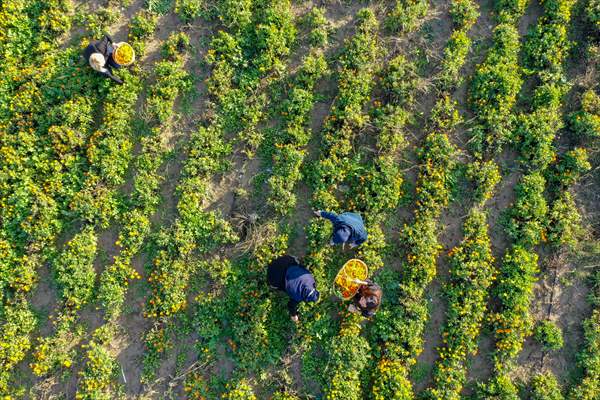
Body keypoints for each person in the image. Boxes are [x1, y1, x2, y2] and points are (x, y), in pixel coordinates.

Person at [266, 255, 319, 322]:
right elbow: (291, 305)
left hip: (285, 261)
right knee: (274, 285)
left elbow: (302, 267)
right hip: (274, 274)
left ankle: (277, 261)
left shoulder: (310, 278)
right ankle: (270, 281)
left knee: (295, 262)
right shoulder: (297, 297)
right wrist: (294, 315)